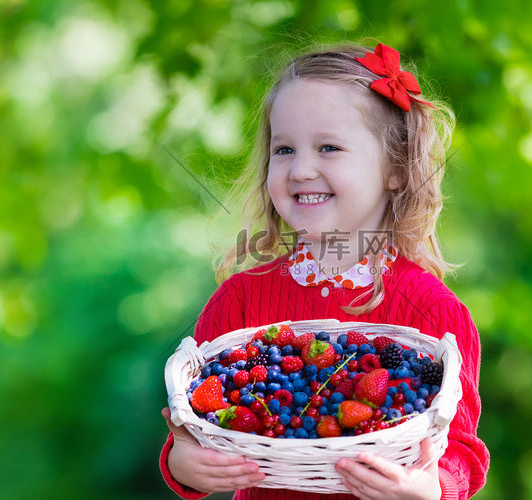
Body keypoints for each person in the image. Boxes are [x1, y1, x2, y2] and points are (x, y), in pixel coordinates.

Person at [160, 42, 489, 500]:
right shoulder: (239, 300)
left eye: (328, 147)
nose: (301, 169)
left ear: (395, 169)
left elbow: (460, 455)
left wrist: (432, 488)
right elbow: (191, 427)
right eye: (284, 149)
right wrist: (183, 464)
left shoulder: (433, 312)